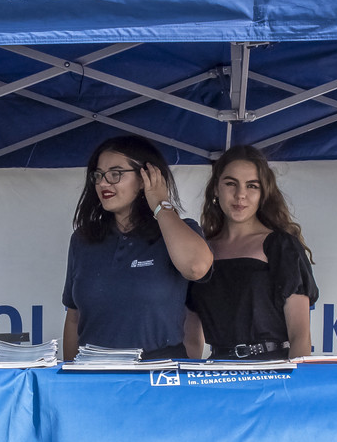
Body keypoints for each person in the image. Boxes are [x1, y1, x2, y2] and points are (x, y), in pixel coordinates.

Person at [61, 135, 212, 360]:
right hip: (94, 371)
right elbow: (73, 317)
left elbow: (196, 268)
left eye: (115, 174)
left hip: (157, 371)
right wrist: (70, 373)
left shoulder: (178, 231)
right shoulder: (83, 239)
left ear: (145, 178)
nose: (103, 183)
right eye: (98, 175)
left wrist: (161, 204)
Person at [185, 145, 318, 360]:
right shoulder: (200, 251)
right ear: (216, 188)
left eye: (252, 186)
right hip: (216, 372)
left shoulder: (281, 246)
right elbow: (191, 341)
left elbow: (300, 337)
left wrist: (297, 381)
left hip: (271, 371)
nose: (240, 195)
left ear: (263, 193)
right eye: (231, 183)